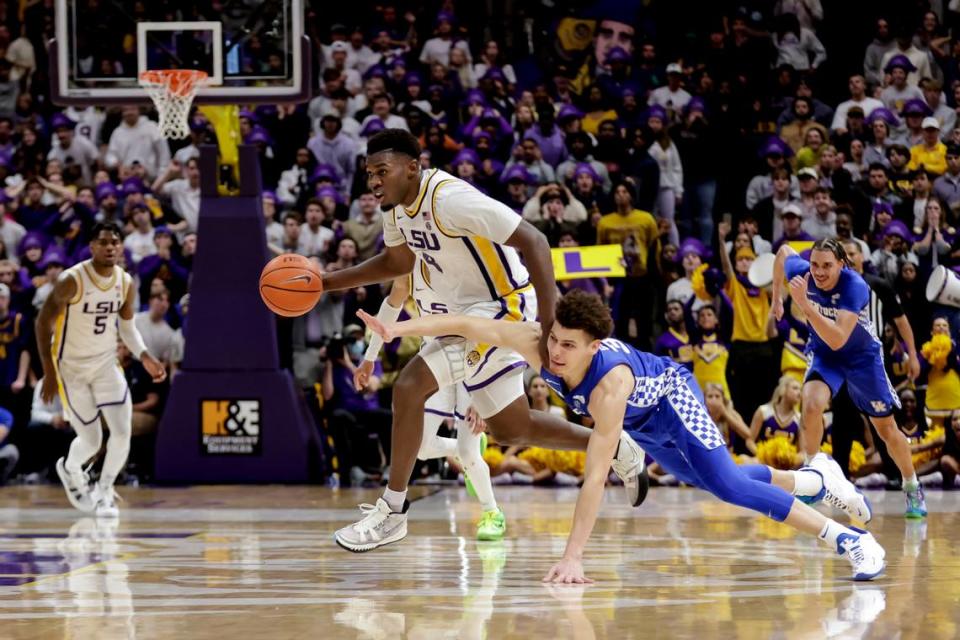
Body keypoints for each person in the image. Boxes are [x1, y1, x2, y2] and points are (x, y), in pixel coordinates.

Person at [359, 289, 886, 582]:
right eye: (555, 340)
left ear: (595, 346)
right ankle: (815, 479)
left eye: (570, 345)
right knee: (714, 481)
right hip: (645, 421)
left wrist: (573, 557)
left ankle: (850, 541)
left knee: (729, 487)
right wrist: (395, 330)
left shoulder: (609, 386)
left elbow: (595, 478)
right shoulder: (537, 342)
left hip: (674, 399)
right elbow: (466, 325)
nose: (557, 353)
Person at [322, 130, 646, 552]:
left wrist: (549, 325)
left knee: (408, 386)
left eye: (382, 171)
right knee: (513, 426)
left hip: (501, 305)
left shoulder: (450, 200)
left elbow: (535, 239)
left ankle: (393, 510)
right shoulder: (396, 207)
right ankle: (613, 443)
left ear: (413, 168)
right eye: (369, 174)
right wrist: (326, 283)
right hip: (462, 315)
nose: (374, 182)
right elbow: (397, 261)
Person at [771, 238, 928, 518]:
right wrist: (775, 301)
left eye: (827, 266)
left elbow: (838, 337)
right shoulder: (802, 272)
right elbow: (782, 252)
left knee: (887, 430)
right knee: (811, 405)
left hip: (861, 359)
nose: (819, 272)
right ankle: (811, 479)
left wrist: (805, 306)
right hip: (825, 355)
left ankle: (911, 485)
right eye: (815, 264)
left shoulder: (854, 286)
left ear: (841, 265)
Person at [356, 272, 504, 540]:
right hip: (435, 358)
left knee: (469, 452)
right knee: (422, 448)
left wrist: (483, 393)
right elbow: (391, 305)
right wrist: (370, 357)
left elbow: (494, 326)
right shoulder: (414, 262)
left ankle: (491, 512)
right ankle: (456, 449)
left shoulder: (469, 263)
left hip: (473, 358)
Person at [36, 222, 166, 518]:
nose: (110, 247)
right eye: (103, 242)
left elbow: (128, 328)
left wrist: (145, 355)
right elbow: (43, 323)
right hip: (72, 369)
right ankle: (70, 468)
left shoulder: (125, 281)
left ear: (121, 247)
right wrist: (49, 371)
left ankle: (105, 490)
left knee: (122, 432)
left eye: (115, 242)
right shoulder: (72, 279)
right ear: (92, 246)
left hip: (107, 364)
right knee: (92, 440)